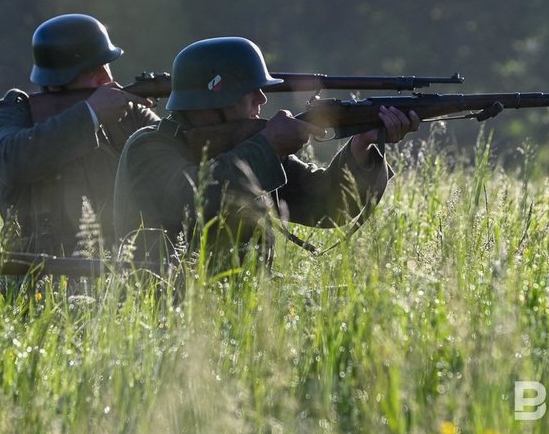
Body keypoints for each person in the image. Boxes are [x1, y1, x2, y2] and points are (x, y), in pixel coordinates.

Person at [113, 37, 420, 269]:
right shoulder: (149, 146)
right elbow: (191, 202)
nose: (261, 99)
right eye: (250, 91)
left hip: (244, 316)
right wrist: (267, 147)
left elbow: (325, 206)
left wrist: (360, 148)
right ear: (214, 99)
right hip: (165, 314)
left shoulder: (247, 147)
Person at [0, 14, 160, 256]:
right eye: (92, 70)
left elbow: (171, 155)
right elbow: (11, 162)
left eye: (106, 65)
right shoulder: (12, 112)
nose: (107, 78)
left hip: (116, 266)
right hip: (38, 271)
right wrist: (90, 115)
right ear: (56, 83)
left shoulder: (130, 114)